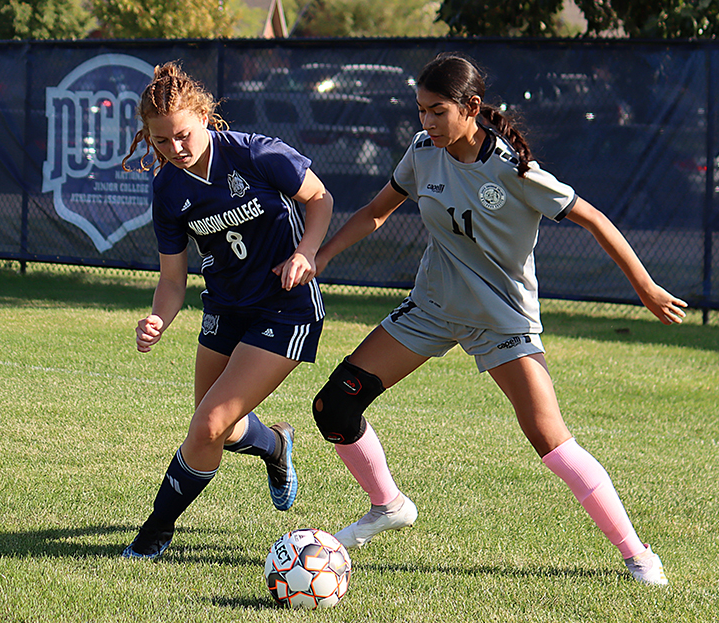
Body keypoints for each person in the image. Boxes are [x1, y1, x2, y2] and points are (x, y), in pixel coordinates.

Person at [311, 53, 686, 585]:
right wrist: (322, 257)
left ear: (472, 107)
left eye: (438, 111)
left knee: (549, 439)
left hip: (501, 321)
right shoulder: (423, 153)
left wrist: (645, 288)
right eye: (421, 111)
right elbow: (376, 211)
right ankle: (388, 506)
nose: (427, 123)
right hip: (433, 309)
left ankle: (638, 555)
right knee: (334, 404)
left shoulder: (515, 170)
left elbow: (594, 218)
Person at [119, 62, 333, 560]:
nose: (176, 148)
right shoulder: (168, 190)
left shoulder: (255, 154)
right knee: (215, 427)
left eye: (183, 134)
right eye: (162, 142)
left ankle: (155, 532)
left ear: (204, 115)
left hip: (286, 307)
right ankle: (276, 445)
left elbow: (319, 197)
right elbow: (173, 280)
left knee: (209, 424)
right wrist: (157, 319)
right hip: (225, 308)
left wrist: (306, 252)